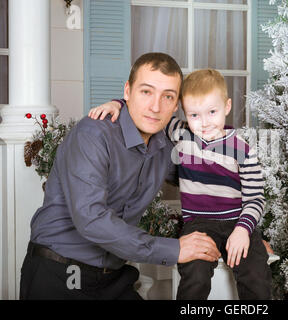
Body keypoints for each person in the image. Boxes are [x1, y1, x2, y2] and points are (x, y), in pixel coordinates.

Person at [20, 53, 221, 300]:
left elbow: (211, 181)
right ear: (127, 91)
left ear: (176, 105)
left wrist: (246, 234)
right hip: (59, 273)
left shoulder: (163, 148)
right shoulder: (93, 135)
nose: (156, 106)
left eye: (167, 96)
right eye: (146, 92)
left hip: (112, 279)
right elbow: (91, 218)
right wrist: (175, 248)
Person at [88, 69, 272, 300]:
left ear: (227, 107)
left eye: (212, 112)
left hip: (237, 222)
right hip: (199, 225)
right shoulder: (183, 133)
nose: (204, 123)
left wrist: (243, 230)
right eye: (194, 115)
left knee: (256, 274)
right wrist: (118, 104)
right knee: (194, 274)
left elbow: (255, 198)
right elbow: (149, 114)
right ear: (185, 113)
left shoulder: (242, 149)